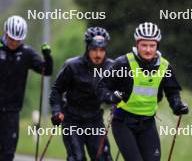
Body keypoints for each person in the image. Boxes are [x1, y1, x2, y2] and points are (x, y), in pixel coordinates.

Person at [97, 22, 189, 161]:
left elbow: (172, 92)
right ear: (137, 44)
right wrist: (111, 97)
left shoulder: (165, 66)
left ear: (157, 45)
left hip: (147, 123)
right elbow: (102, 87)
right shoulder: (124, 63)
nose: (148, 50)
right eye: (144, 45)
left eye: (152, 45)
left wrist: (177, 106)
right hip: (123, 122)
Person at [49, 27, 113, 161]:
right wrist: (56, 111)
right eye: (94, 50)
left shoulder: (111, 67)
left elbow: (120, 90)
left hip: (95, 120)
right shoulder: (72, 66)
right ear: (87, 49)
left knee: (103, 158)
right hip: (72, 120)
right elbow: (56, 90)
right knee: (76, 158)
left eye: (101, 50)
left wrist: (117, 103)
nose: (98, 54)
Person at [0, 15, 53, 161]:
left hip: (12, 110)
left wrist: (47, 56)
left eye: (18, 40)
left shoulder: (27, 53)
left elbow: (46, 70)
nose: (14, 43)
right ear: (6, 33)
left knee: (8, 152)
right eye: (11, 39)